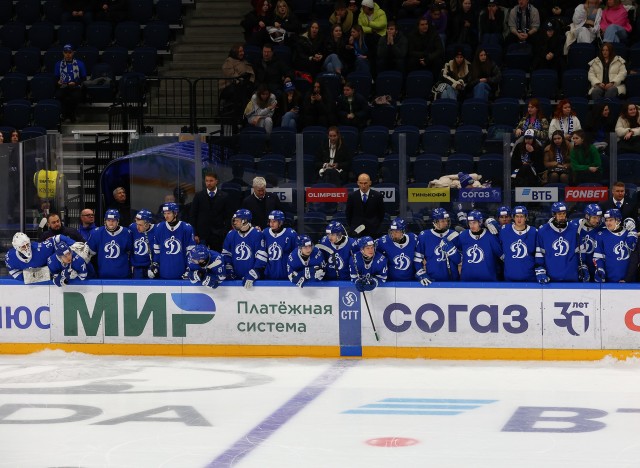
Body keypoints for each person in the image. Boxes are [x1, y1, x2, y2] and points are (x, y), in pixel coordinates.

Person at [535, 202, 582, 283]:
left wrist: (582, 267)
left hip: (571, 277)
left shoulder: (574, 229)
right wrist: (540, 270)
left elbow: (579, 253)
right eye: (559, 214)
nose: (562, 216)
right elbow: (539, 254)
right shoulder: (543, 231)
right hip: (551, 279)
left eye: (564, 214)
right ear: (554, 215)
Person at [148, 202, 195, 280]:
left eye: (169, 213)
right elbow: (157, 251)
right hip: (164, 273)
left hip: (181, 273)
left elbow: (191, 252)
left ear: (175, 213)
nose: (166, 216)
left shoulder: (187, 228)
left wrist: (189, 268)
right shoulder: (159, 228)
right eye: (164, 213)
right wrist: (155, 264)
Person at [222, 208, 268, 288]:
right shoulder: (231, 234)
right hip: (235, 277)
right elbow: (226, 254)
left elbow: (261, 256)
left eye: (237, 220)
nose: (234, 223)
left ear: (245, 221)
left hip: (252, 278)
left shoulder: (257, 234)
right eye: (234, 220)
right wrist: (228, 268)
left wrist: (255, 272)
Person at [414, 208, 461, 284]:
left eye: (447, 220)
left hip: (453, 281)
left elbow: (460, 260)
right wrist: (421, 273)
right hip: (432, 281)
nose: (446, 223)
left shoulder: (454, 235)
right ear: (435, 222)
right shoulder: (424, 236)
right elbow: (417, 260)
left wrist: (452, 251)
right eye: (442, 221)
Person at [190, 170, 231, 253]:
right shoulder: (199, 196)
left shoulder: (224, 196)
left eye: (211, 181)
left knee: (217, 258)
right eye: (207, 181)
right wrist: (195, 234)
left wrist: (224, 232)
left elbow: (228, 216)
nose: (208, 183)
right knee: (201, 259)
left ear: (216, 181)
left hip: (218, 235)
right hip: (202, 235)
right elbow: (193, 215)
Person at [457, 210, 503, 282]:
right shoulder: (463, 236)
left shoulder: (490, 236)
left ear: (480, 222)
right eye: (470, 223)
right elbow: (457, 253)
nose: (472, 226)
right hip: (467, 279)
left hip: (488, 279)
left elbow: (502, 256)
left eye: (474, 222)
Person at [594, 208, 637, 282]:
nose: (608, 223)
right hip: (610, 280)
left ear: (618, 220)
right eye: (606, 220)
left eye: (611, 220)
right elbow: (598, 257)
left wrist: (633, 231)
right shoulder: (601, 235)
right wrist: (600, 269)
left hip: (629, 280)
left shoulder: (628, 233)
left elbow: (634, 252)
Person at [87, 209, 132, 279]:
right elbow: (89, 254)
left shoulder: (127, 233)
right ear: (105, 221)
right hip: (103, 275)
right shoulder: (96, 233)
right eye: (109, 220)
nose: (111, 223)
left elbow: (131, 253)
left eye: (113, 220)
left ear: (118, 221)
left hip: (123, 276)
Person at [499, 205, 537, 282]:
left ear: (526, 217)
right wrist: (486, 223)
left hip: (529, 277)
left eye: (522, 216)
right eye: (517, 216)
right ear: (513, 217)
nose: (519, 219)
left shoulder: (534, 232)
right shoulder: (504, 230)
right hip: (509, 277)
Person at [375, 217, 417, 282]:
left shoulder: (413, 239)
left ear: (403, 232)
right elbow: (369, 249)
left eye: (397, 231)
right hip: (390, 281)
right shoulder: (384, 241)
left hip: (411, 280)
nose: (393, 234)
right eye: (392, 231)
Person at [571, 203, 604, 281]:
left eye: (599, 218)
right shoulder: (574, 225)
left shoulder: (602, 227)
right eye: (594, 217)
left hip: (597, 267)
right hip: (579, 268)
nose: (597, 221)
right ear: (587, 216)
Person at [54, 44, 87, 123]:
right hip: (63, 86)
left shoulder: (80, 64)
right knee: (59, 95)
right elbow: (56, 78)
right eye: (66, 52)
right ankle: (65, 115)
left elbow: (83, 78)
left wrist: (75, 83)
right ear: (63, 53)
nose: (68, 54)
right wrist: (58, 82)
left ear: (73, 53)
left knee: (76, 96)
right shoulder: (58, 64)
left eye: (69, 52)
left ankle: (71, 115)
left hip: (75, 86)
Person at [346, 173, 385, 237]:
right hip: (356, 231)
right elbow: (348, 214)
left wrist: (375, 224)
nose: (363, 186)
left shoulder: (377, 196)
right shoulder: (352, 196)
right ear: (358, 183)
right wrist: (354, 225)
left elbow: (381, 213)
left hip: (373, 231)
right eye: (361, 183)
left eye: (365, 183)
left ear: (370, 183)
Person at [263, 210, 297, 280]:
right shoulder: (265, 233)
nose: (271, 223)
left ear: (281, 222)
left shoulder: (291, 234)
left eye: (274, 221)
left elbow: (297, 254)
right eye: (270, 221)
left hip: (286, 274)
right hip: (269, 275)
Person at [358, 0, 388, 70]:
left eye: (363, 7)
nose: (362, 8)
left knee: (375, 38)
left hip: (380, 35)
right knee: (369, 37)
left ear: (368, 7)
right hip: (368, 35)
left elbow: (382, 24)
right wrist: (371, 30)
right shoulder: (361, 14)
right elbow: (360, 27)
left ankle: (370, 57)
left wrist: (370, 23)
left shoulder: (380, 12)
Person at [129, 209, 155, 279]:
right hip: (137, 268)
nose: (137, 227)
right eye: (136, 223)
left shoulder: (156, 230)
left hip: (151, 267)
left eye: (140, 225)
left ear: (147, 224)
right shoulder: (132, 228)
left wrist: (156, 265)